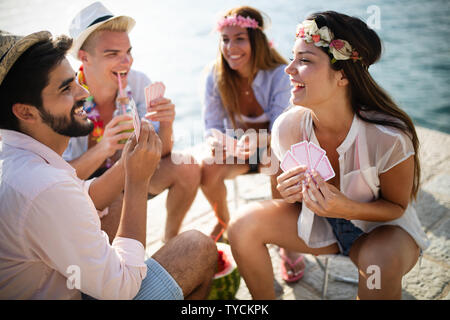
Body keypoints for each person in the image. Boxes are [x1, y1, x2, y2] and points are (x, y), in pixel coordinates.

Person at [0, 30, 216, 299]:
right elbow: (121, 289)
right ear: (25, 112)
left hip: (64, 281)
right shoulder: (43, 187)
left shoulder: (15, 158)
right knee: (197, 247)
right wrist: (136, 182)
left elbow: (82, 195)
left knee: (110, 208)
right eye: (66, 88)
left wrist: (128, 162)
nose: (83, 92)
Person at [228, 11, 429, 299]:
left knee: (376, 267)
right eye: (293, 57)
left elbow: (396, 207)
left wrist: (346, 208)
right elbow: (283, 201)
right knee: (242, 225)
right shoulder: (287, 127)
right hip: (319, 227)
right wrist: (288, 193)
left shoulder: (389, 139)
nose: (289, 69)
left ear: (343, 75)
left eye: (305, 60)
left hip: (382, 230)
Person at [64, 1, 201, 242]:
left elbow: (164, 152)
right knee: (114, 202)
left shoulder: (138, 83)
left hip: (133, 172)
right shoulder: (67, 99)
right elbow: (61, 178)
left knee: (186, 166)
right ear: (85, 57)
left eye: (128, 52)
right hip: (86, 189)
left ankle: (170, 240)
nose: (126, 62)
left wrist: (167, 123)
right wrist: (105, 147)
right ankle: (116, 270)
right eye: (113, 54)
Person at [200, 5, 306, 283]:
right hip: (240, 149)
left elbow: (281, 126)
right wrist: (219, 142)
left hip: (276, 145)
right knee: (208, 168)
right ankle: (225, 223)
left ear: (255, 40)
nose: (230, 47)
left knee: (275, 157)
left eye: (239, 39)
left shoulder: (280, 73)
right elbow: (210, 126)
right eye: (225, 40)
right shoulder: (215, 74)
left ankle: (288, 241)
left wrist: (257, 141)